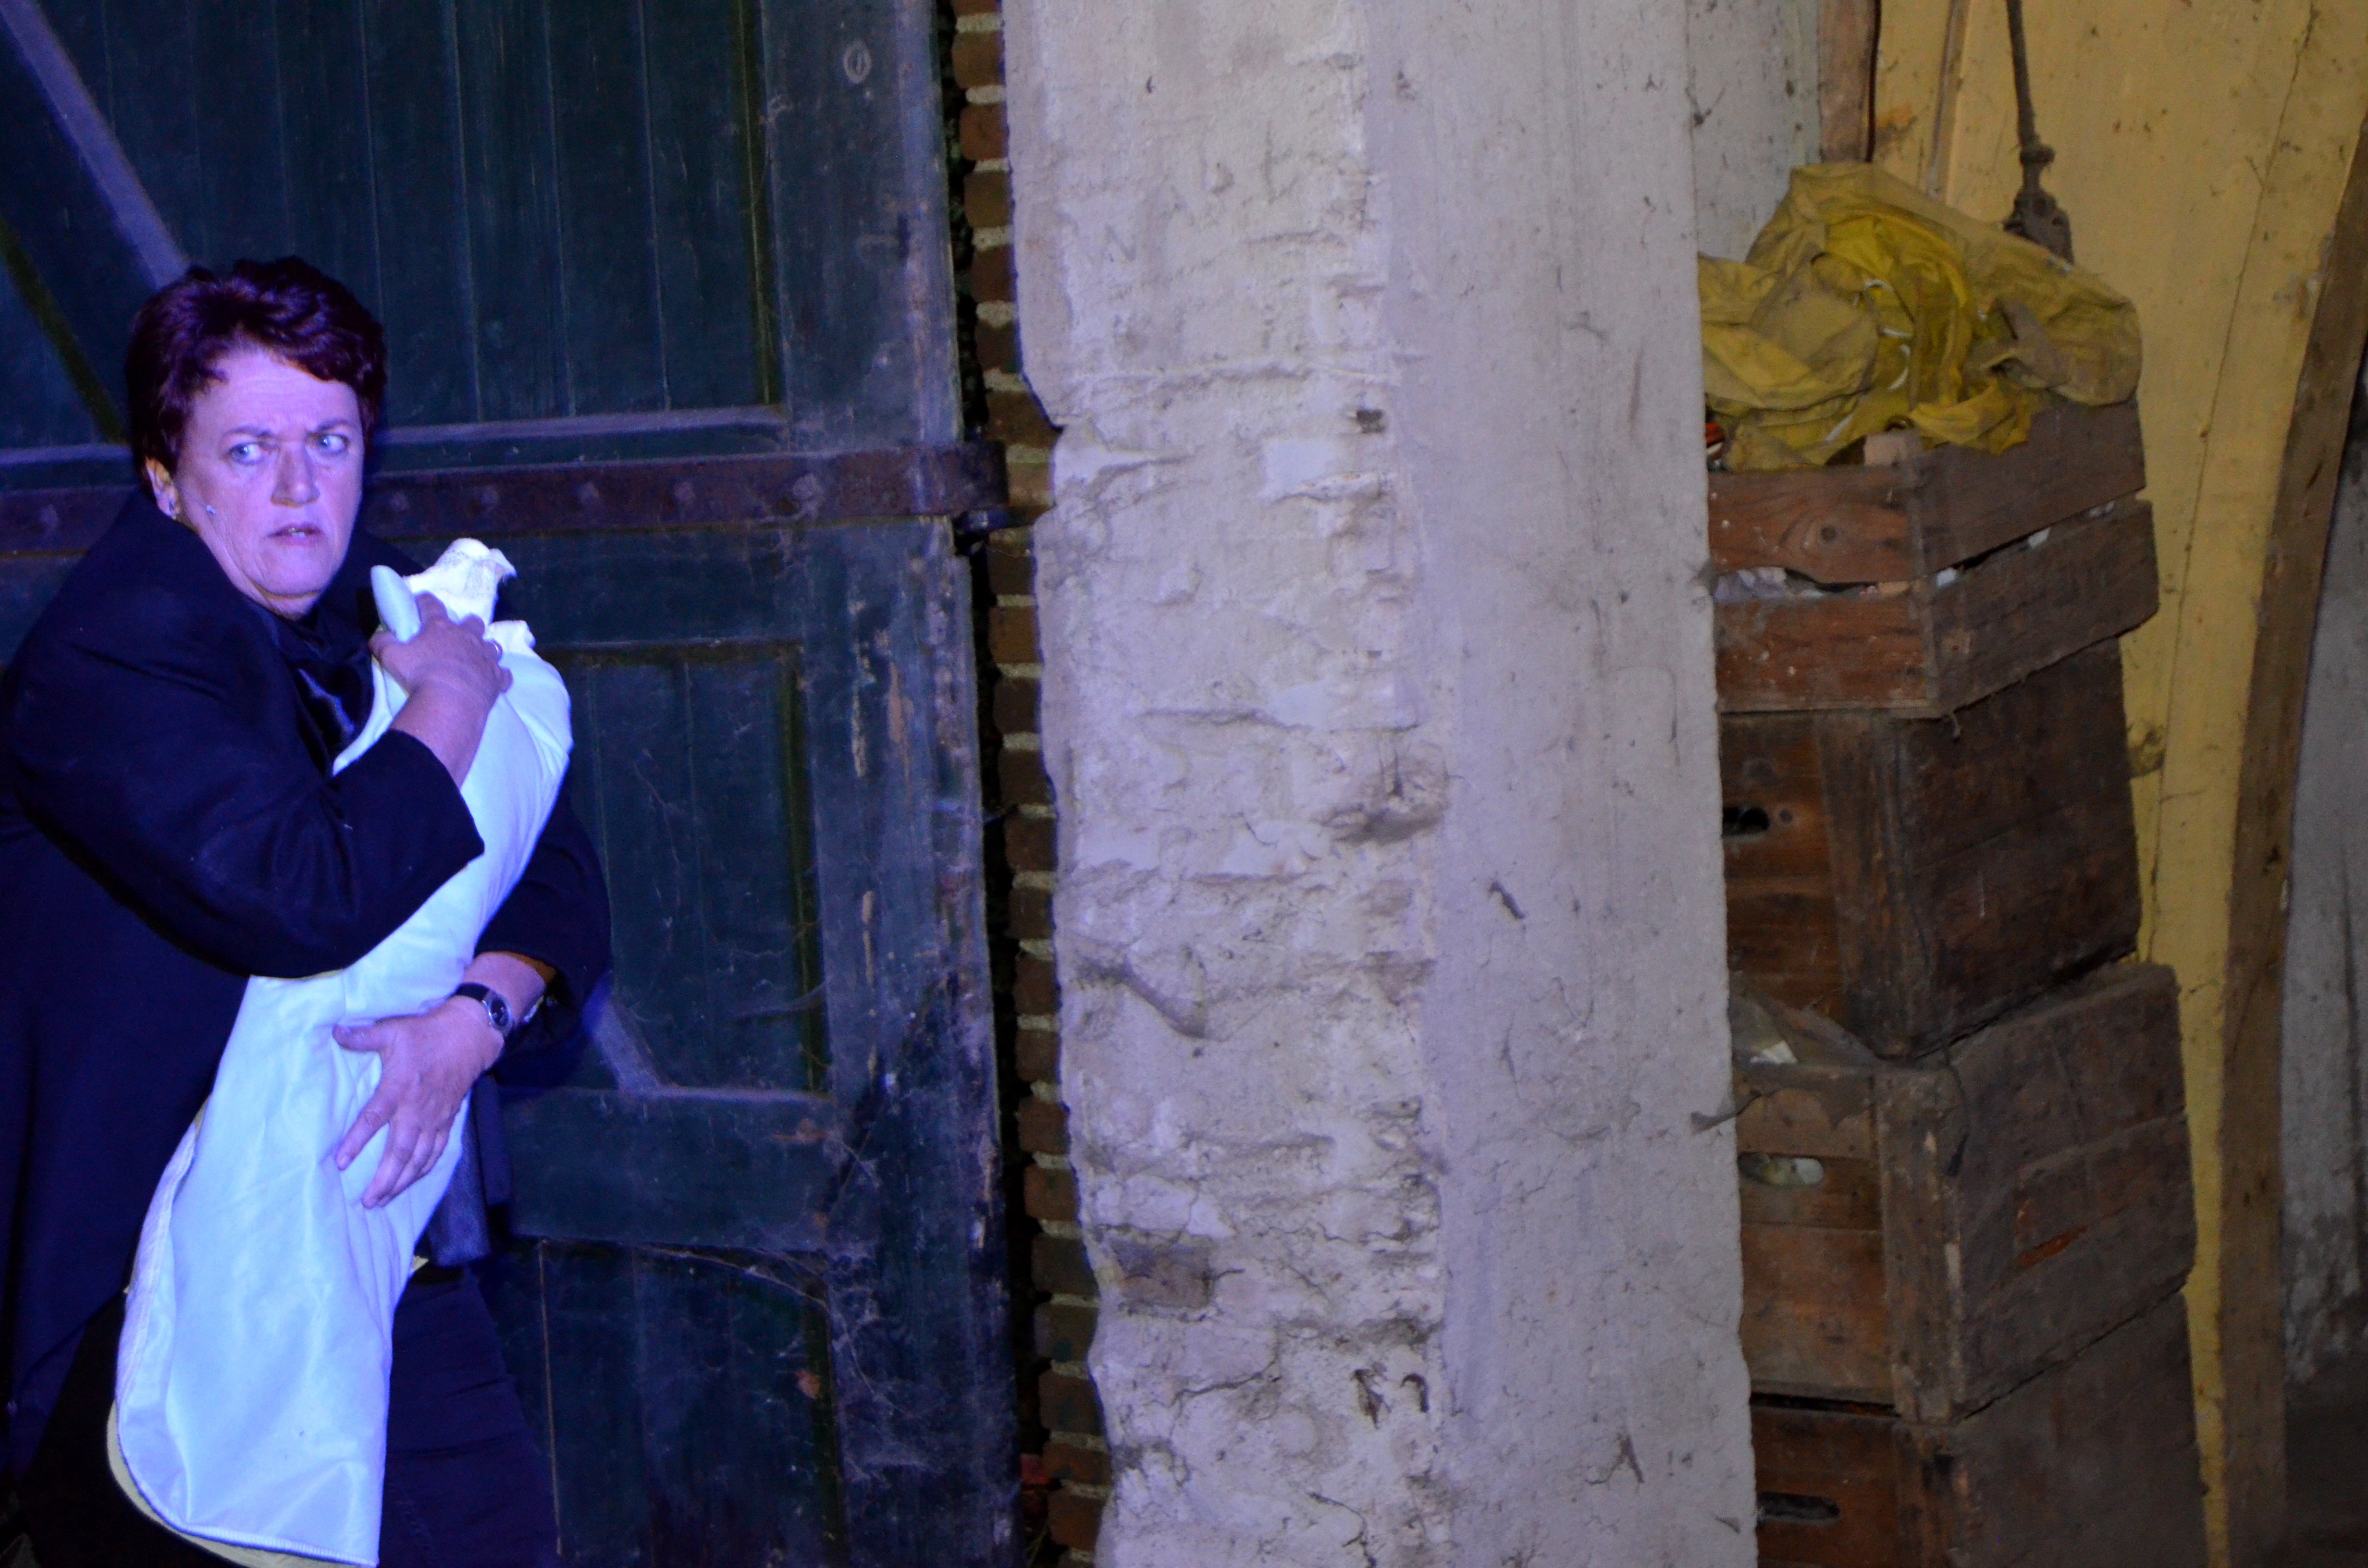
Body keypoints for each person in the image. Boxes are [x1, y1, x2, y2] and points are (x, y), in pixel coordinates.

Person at [0, 258, 611, 1566]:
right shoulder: (117, 651)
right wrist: (451, 702)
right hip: (158, 1304)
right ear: (166, 479)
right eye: (249, 449)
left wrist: (475, 1020)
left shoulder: (356, 629)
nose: (296, 487)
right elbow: (300, 894)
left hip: (377, 1252)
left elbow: (555, 872)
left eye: (328, 442)